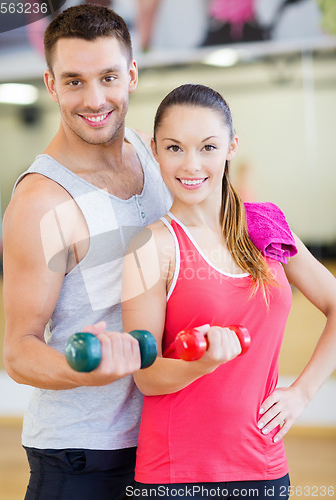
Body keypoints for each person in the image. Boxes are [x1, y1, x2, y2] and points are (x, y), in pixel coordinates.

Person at [121, 84, 336, 499]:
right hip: (177, 476)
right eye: (174, 148)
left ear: (231, 147)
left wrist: (302, 392)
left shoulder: (266, 227)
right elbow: (146, 375)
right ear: (154, 150)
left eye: (207, 147)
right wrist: (202, 364)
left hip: (265, 465)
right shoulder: (152, 246)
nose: (191, 164)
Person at [2, 4, 171, 500]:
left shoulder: (150, 153)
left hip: (161, 439)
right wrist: (84, 369)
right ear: (52, 85)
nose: (94, 99)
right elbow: (19, 351)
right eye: (74, 81)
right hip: (83, 456)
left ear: (132, 75)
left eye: (108, 77)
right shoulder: (42, 201)